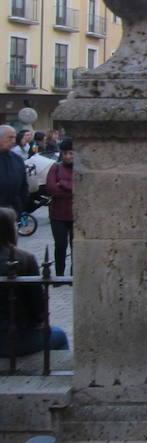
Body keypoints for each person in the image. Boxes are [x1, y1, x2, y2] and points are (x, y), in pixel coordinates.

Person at [0, 208, 69, 358]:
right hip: (15, 336)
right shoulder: (24, 259)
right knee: (59, 336)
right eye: (15, 225)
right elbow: (37, 307)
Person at [45, 138, 75, 277]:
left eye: (71, 153)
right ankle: (59, 275)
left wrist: (62, 183)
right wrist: (70, 188)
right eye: (65, 153)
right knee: (60, 246)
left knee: (76, 247)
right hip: (58, 215)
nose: (68, 156)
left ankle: (75, 274)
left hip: (76, 215)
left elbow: (83, 188)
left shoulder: (81, 169)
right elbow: (52, 189)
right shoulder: (55, 168)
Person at [0, 125, 29, 218]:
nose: (13, 141)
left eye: (14, 138)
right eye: (10, 137)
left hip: (14, 211)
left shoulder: (17, 159)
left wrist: (21, 205)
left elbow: (24, 185)